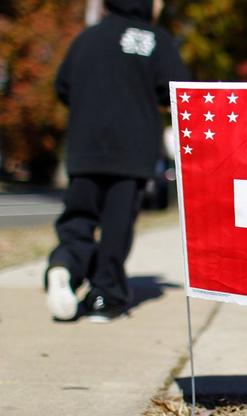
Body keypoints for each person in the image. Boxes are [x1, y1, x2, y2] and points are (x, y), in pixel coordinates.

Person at [45, 0, 189, 322]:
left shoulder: (87, 38)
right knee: (116, 226)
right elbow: (177, 90)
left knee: (79, 217)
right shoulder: (154, 39)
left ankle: (65, 265)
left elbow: (62, 86)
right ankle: (104, 297)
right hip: (131, 152)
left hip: (85, 148)